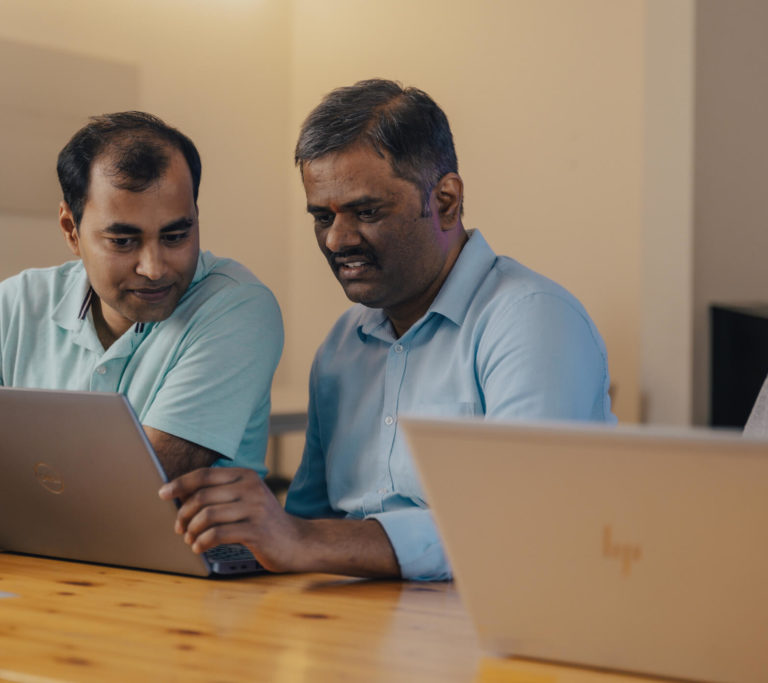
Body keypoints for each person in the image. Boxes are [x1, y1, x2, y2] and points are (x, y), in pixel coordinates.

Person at [159, 79, 615, 581]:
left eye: (367, 212)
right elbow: (314, 517)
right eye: (321, 216)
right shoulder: (342, 344)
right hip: (353, 621)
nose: (337, 239)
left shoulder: (530, 319)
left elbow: (520, 529)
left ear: (445, 201)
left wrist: (304, 540)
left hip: (485, 624)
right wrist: (245, 529)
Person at [0, 112, 283, 545]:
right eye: (123, 241)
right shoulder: (17, 304)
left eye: (176, 236)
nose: (154, 268)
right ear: (70, 228)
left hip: (182, 588)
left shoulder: (236, 307)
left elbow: (139, 491)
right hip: (21, 575)